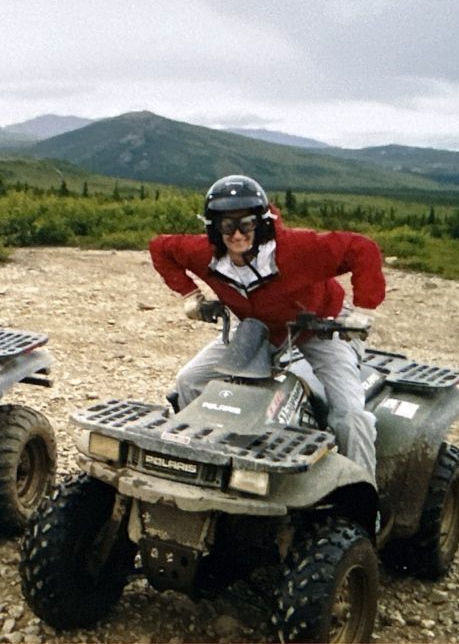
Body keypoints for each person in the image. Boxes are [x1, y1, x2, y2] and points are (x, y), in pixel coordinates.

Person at [148, 174, 385, 479]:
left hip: (320, 325)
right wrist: (191, 295)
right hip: (257, 328)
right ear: (213, 228)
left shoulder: (294, 249)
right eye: (226, 225)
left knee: (351, 414)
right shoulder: (205, 255)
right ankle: (204, 463)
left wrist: (363, 308)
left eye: (245, 224)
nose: (236, 235)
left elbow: (361, 248)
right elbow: (160, 248)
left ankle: (362, 497)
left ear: (261, 223)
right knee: (189, 380)